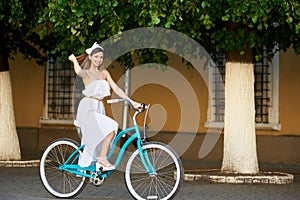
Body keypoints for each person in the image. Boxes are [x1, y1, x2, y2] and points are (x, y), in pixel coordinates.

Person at [69, 42, 139, 171]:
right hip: (88, 107)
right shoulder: (86, 73)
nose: (99, 60)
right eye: (96, 57)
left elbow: (116, 88)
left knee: (102, 135)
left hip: (99, 107)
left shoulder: (105, 73)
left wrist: (131, 101)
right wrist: (74, 60)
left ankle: (96, 167)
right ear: (90, 57)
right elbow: (78, 71)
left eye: (101, 57)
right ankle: (102, 159)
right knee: (111, 126)